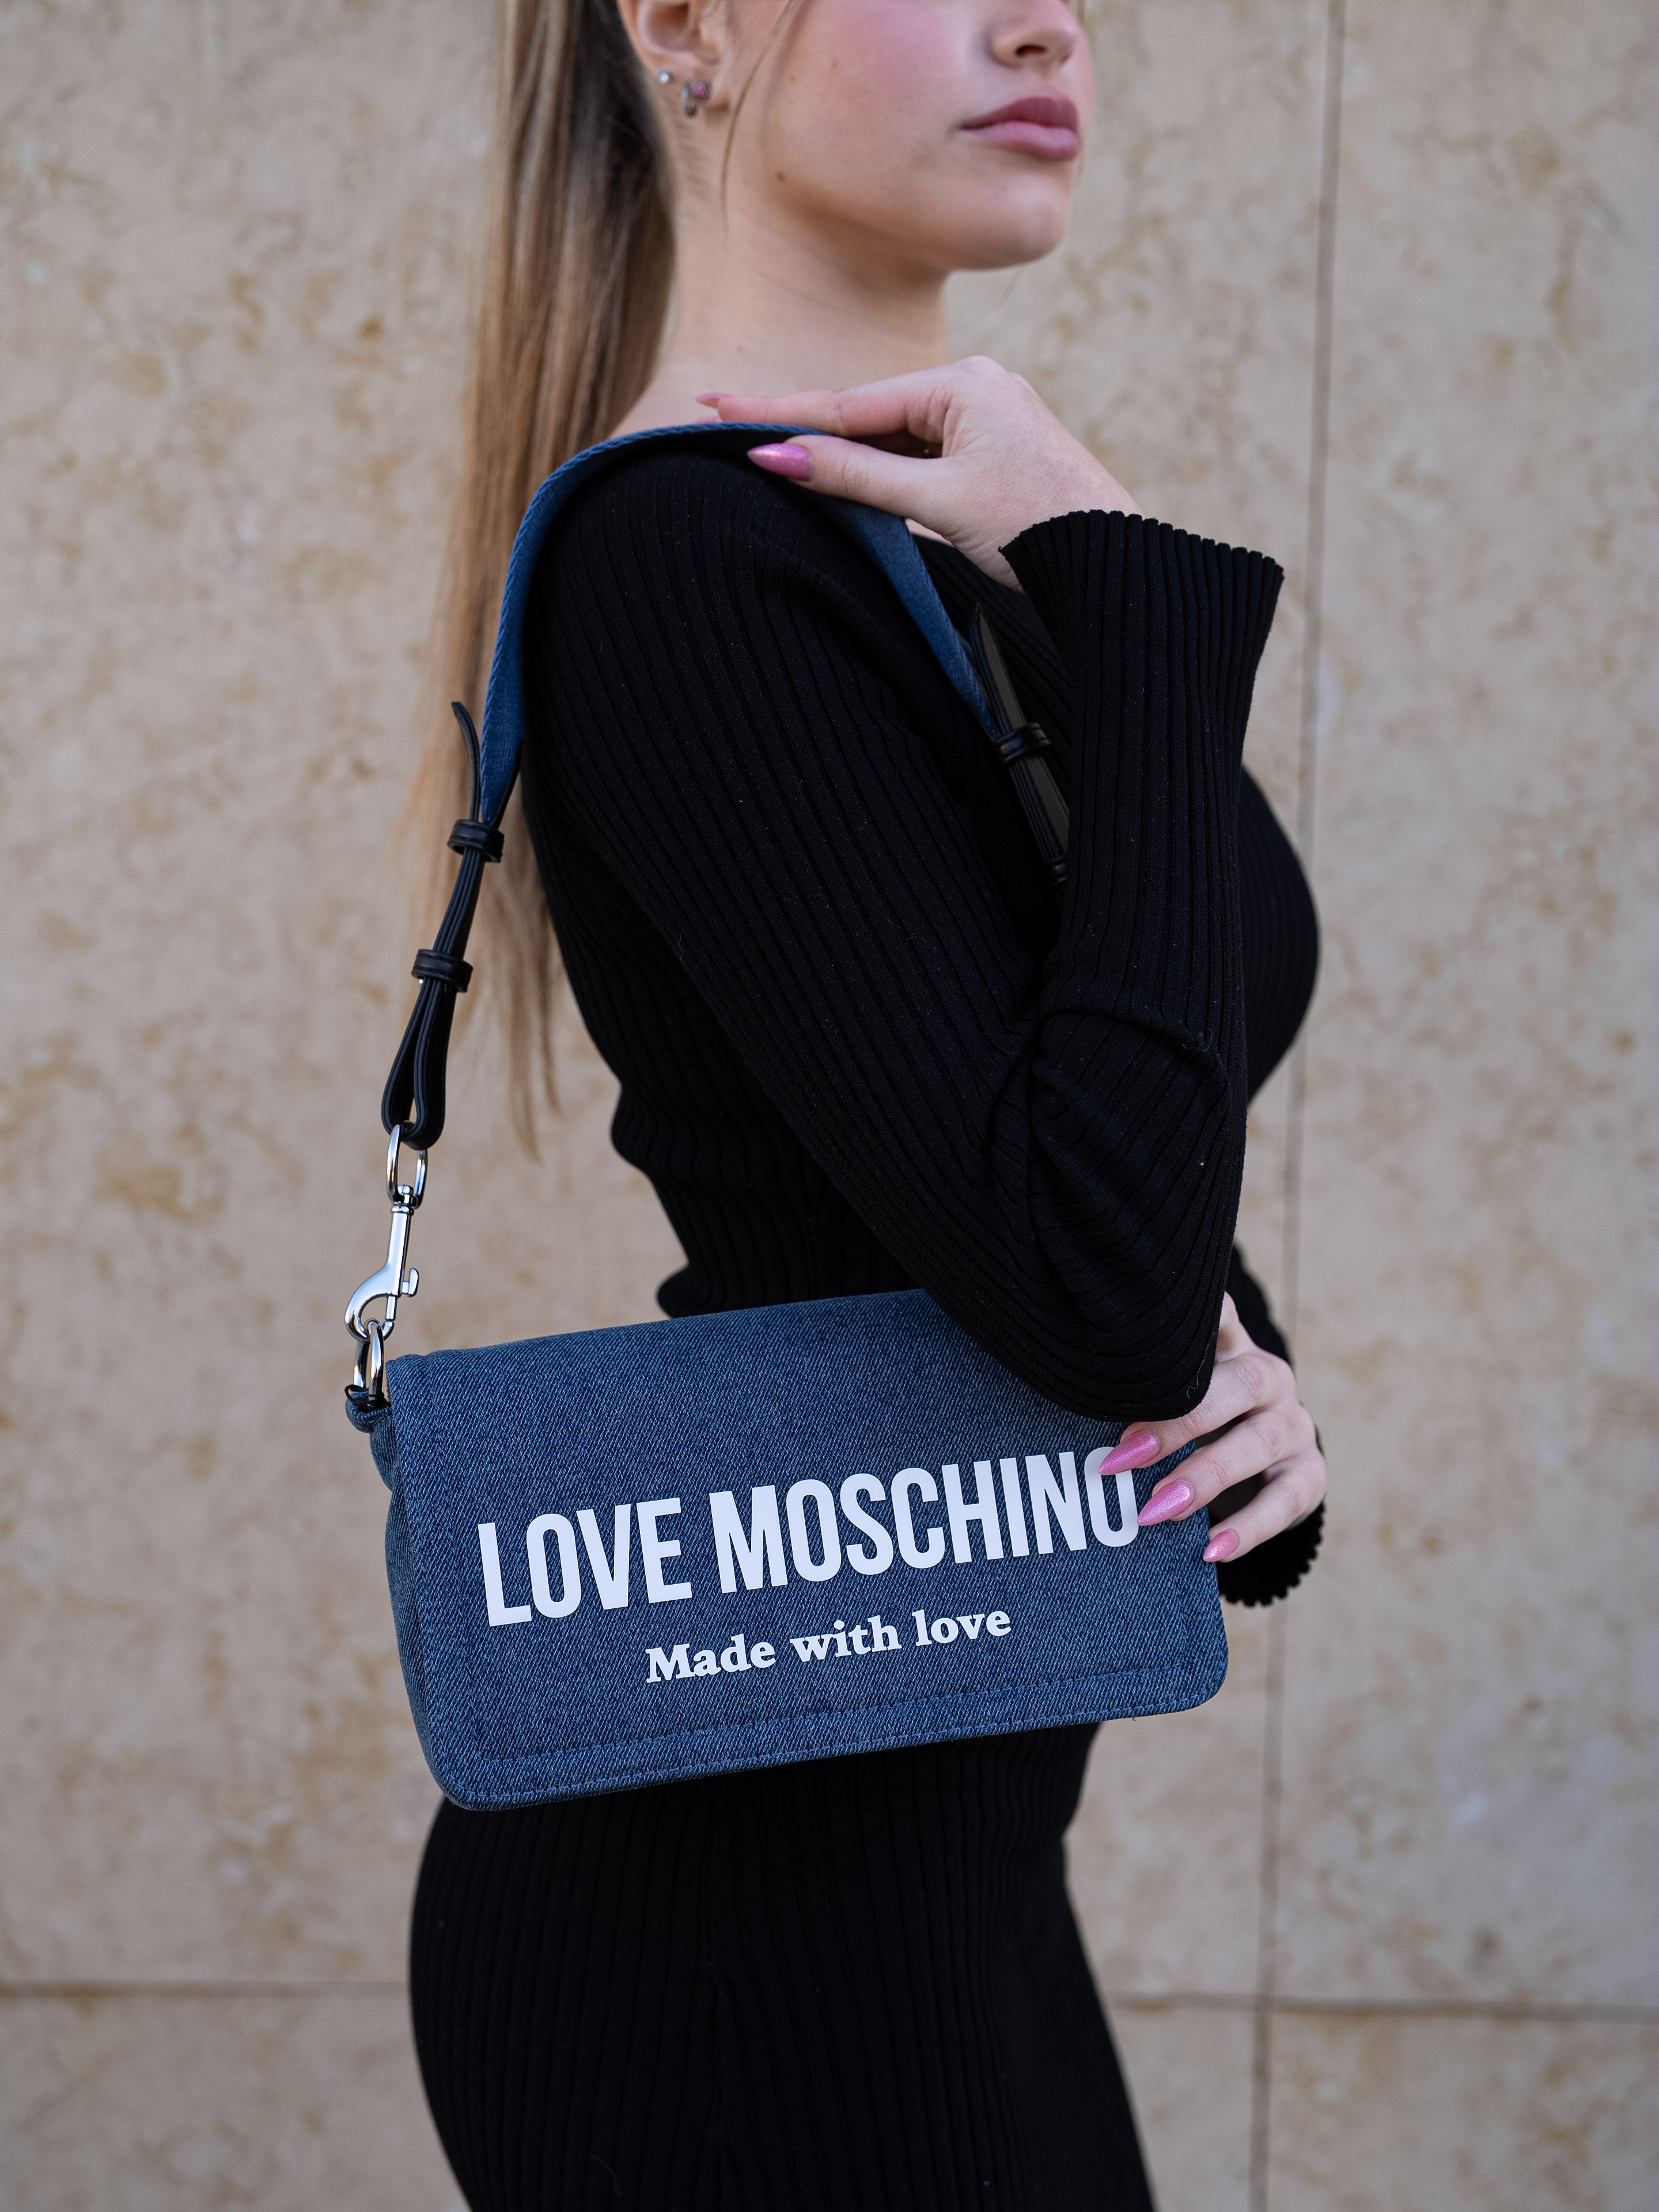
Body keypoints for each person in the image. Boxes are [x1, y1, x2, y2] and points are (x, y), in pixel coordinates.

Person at [405, 0, 1328, 2203]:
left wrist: (1237, 1413)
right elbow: (1080, 1275)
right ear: (683, 24)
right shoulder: (687, 564)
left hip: (936, 1861)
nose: (1048, 22)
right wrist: (1122, 582)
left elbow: (1061, 1179)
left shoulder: (945, 567)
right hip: (743, 1936)